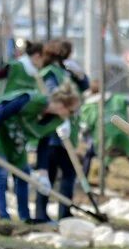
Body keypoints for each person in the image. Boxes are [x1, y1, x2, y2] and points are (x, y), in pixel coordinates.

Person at [0, 82, 82, 222]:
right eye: (71, 111)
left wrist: (43, 173)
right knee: (1, 173)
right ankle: (4, 217)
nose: (71, 116)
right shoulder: (33, 100)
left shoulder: (56, 121)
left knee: (23, 174)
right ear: (61, 105)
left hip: (16, 139)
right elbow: (2, 112)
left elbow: (43, 144)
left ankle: (25, 217)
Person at [34, 39, 89, 223]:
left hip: (65, 132)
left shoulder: (64, 72)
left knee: (63, 173)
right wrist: (60, 117)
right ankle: (46, 213)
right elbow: (51, 97)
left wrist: (81, 75)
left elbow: (84, 87)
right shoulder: (50, 73)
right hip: (53, 132)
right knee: (51, 173)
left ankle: (62, 212)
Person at [78, 81, 129, 183]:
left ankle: (83, 180)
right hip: (121, 135)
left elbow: (85, 127)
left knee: (90, 155)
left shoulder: (89, 107)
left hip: (103, 137)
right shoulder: (116, 98)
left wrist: (83, 137)